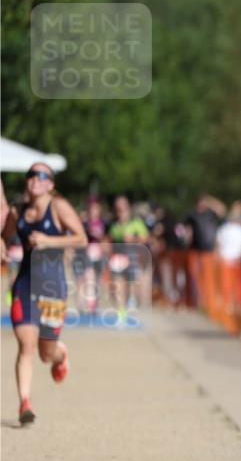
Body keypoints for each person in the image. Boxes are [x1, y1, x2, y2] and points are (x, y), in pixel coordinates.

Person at [0, 163, 86, 424]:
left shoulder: (59, 207)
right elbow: (5, 236)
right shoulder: (18, 211)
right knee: (25, 344)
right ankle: (24, 403)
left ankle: (60, 355)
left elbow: (81, 238)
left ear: (50, 183)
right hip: (25, 285)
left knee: (45, 353)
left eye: (41, 176)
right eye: (30, 175)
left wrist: (49, 241)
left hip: (52, 287)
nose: (34, 179)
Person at [107, 195, 149, 324]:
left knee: (130, 285)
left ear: (128, 207)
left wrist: (133, 239)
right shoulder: (114, 223)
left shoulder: (135, 222)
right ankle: (121, 312)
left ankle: (130, 305)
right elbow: (109, 239)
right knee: (117, 284)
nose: (120, 209)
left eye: (122, 206)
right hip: (117, 256)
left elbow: (145, 238)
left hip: (131, 255)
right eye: (118, 206)